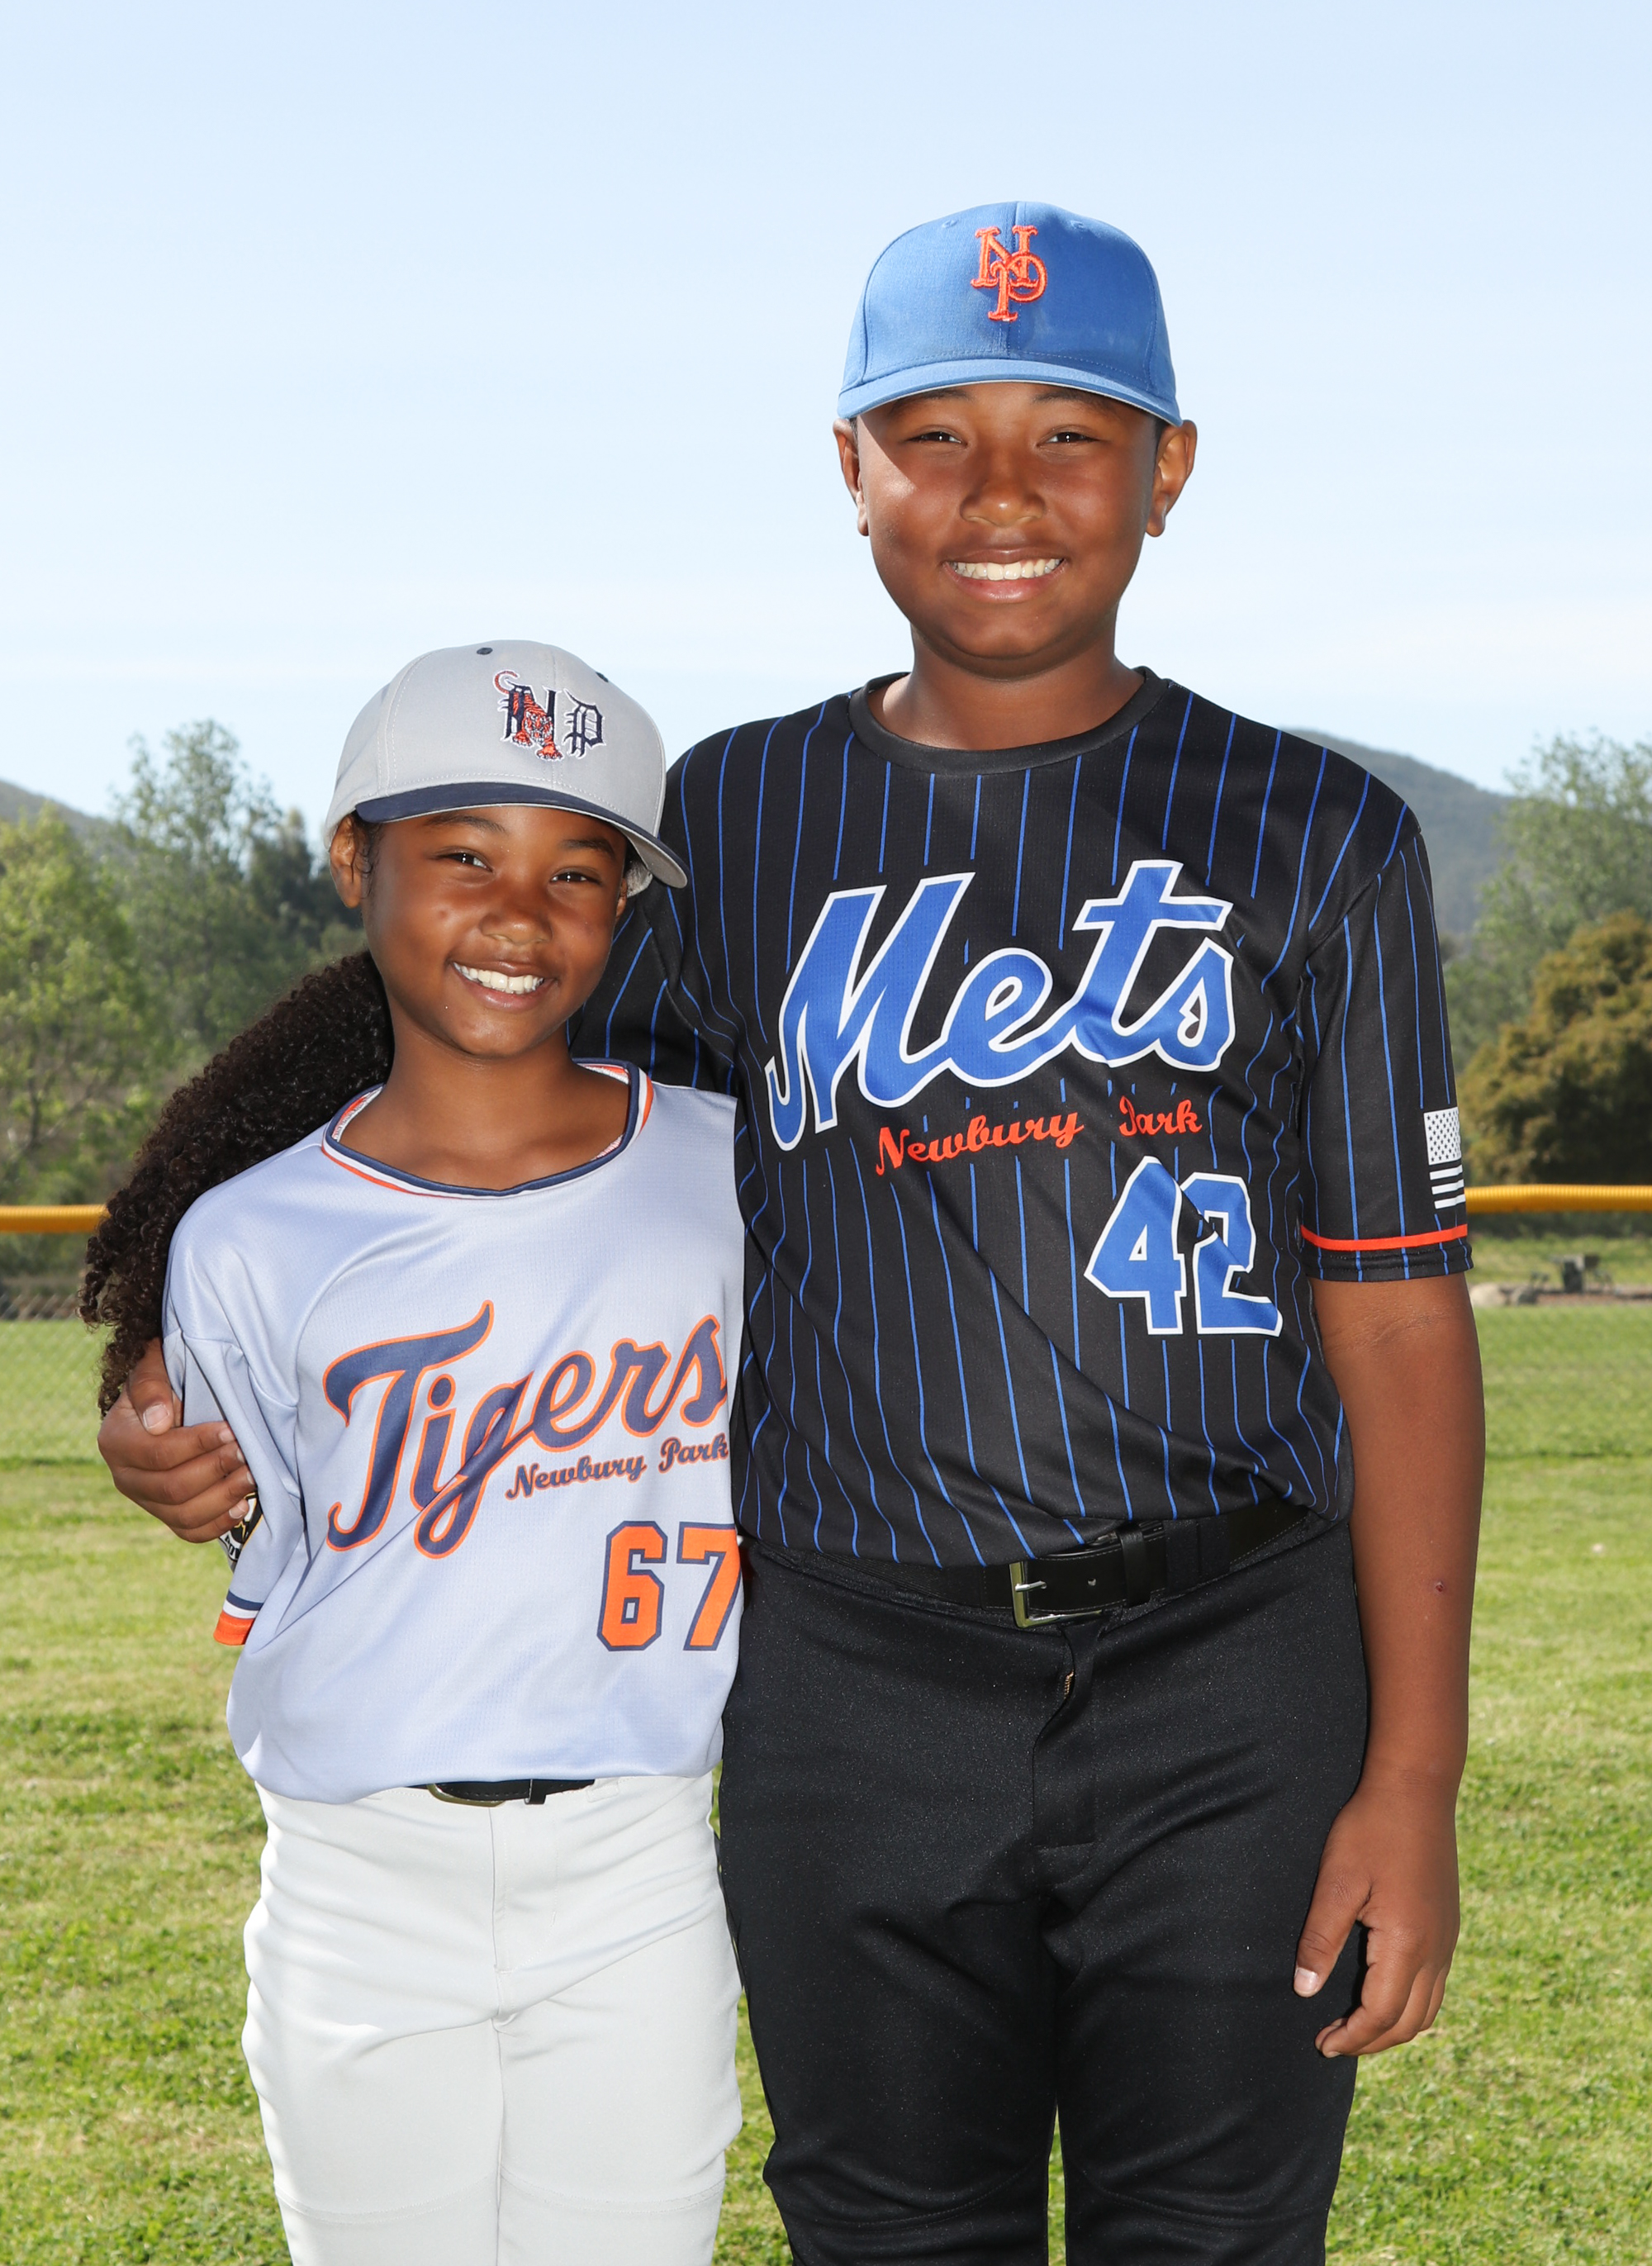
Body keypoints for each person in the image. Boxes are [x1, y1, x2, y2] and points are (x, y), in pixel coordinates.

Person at [95, 206, 1484, 2266]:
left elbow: (1400, 1317)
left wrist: (1413, 1771)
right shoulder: (739, 819)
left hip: (1233, 1662)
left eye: (1069, 436)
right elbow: (454, 1029)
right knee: (886, 2226)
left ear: (1168, 468)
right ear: (848, 467)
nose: (998, 494)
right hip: (857, 1670)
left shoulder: (1319, 830)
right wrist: (147, 1312)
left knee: (1216, 2231)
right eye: (931, 436)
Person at [87, 642, 745, 2266]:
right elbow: (262, 1538)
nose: (519, 914)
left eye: (577, 870)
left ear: (621, 904)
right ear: (352, 860)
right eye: (463, 853)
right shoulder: (247, 1235)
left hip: (641, 1855)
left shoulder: (736, 1174)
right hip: (357, 1869)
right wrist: (155, 1446)